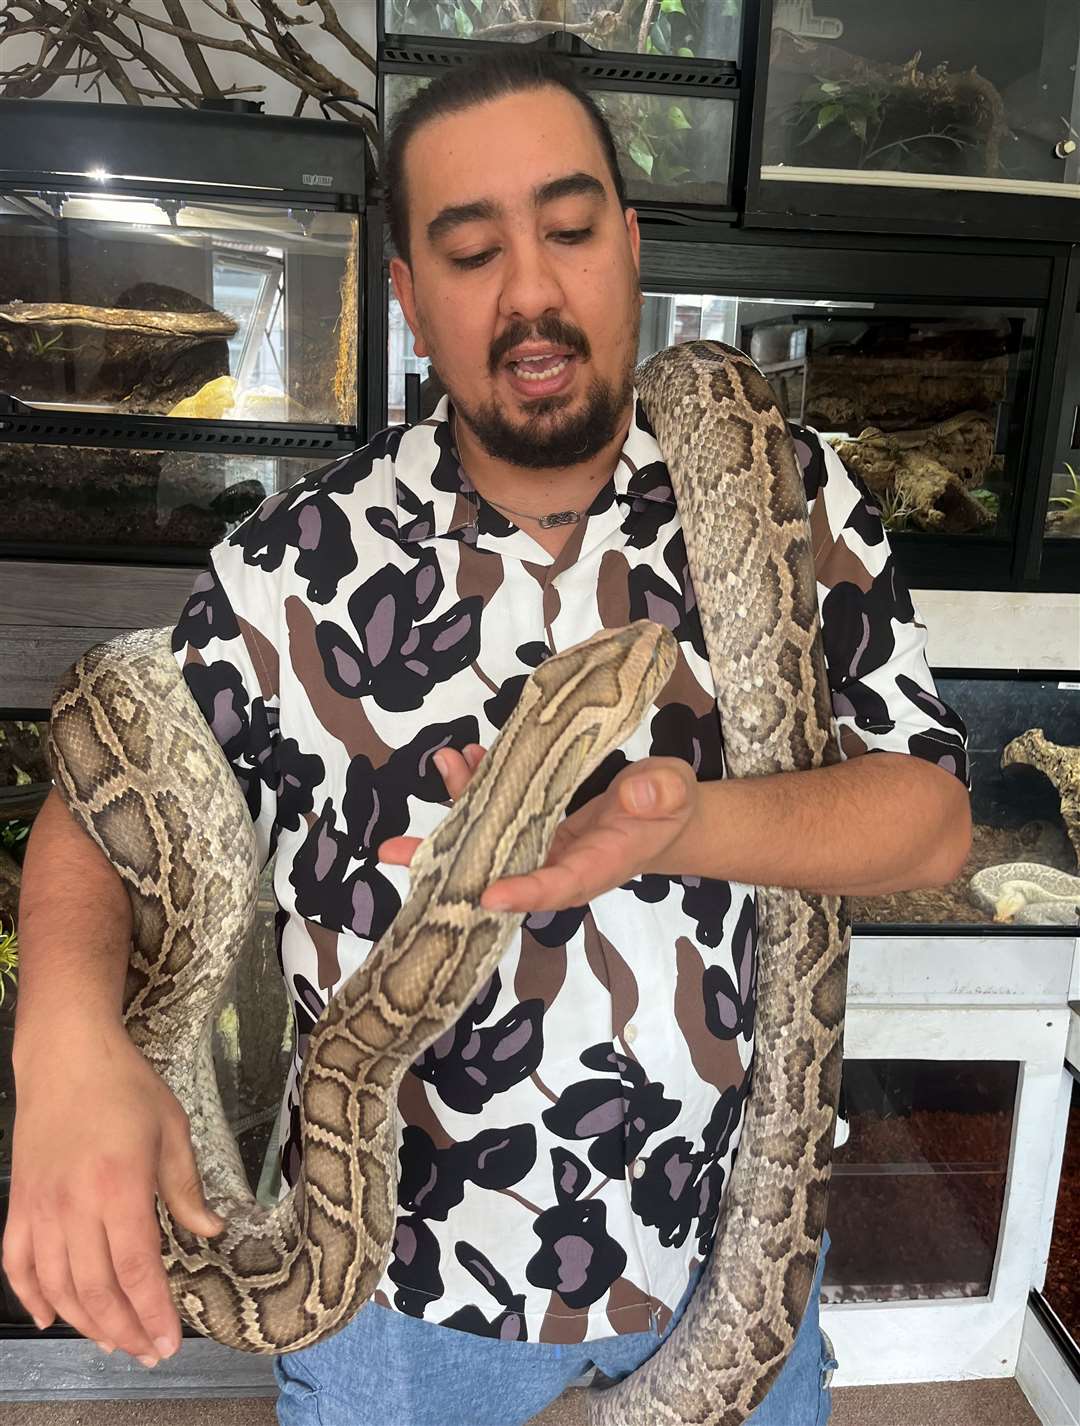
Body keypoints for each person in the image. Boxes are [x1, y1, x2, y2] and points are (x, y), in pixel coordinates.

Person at [5, 49, 971, 1426]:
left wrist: (686, 822)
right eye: (468, 251)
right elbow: (87, 819)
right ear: (407, 296)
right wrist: (59, 1039)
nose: (530, 290)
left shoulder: (793, 492)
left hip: (729, 1239)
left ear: (632, 246)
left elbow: (930, 819)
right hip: (404, 1292)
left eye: (571, 231)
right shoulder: (294, 566)